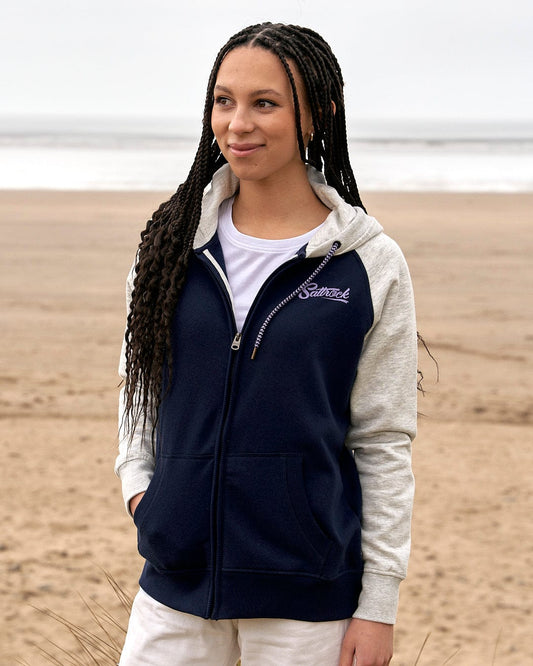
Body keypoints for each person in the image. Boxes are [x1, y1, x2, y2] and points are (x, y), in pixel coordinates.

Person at [115, 22, 417, 666]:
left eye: (265, 103)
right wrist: (144, 491)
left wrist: (378, 605)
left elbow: (383, 438)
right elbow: (137, 385)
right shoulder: (172, 246)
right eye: (224, 101)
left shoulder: (369, 263)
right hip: (174, 589)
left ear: (317, 115)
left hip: (307, 598)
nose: (237, 124)